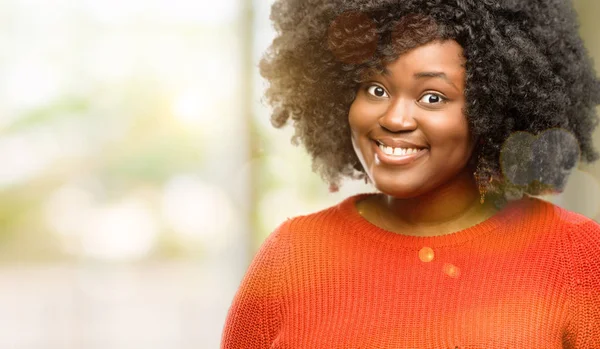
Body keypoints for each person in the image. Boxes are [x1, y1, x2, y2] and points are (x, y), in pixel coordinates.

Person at [222, 0, 600, 347]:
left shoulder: (576, 258)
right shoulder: (292, 255)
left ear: (493, 107)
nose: (394, 119)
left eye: (432, 97)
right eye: (376, 88)